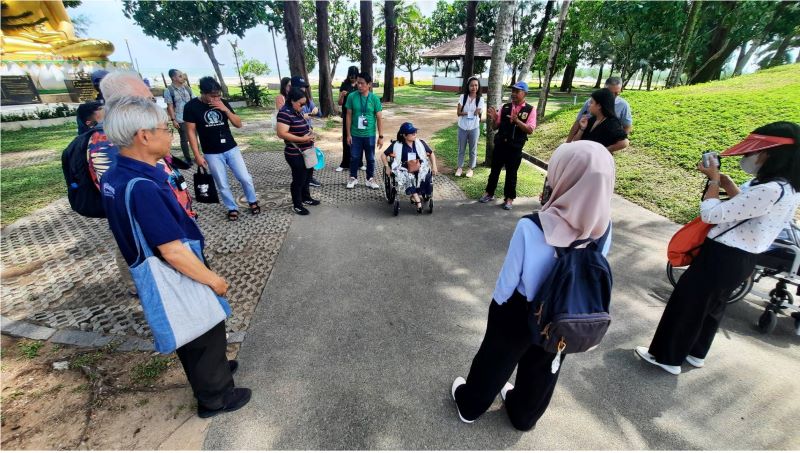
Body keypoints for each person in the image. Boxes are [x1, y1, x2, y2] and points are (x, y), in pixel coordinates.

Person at [100, 95, 251, 418]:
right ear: (144, 135)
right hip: (173, 268)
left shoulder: (116, 176)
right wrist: (213, 279)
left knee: (197, 328)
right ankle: (216, 397)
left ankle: (217, 370)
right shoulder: (142, 185)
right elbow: (170, 250)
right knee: (202, 326)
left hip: (159, 264)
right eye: (165, 128)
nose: (171, 134)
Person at [452, 140, 614, 430]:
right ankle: (523, 415)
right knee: (544, 366)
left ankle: (471, 405)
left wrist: (496, 310)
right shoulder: (603, 226)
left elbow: (508, 282)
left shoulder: (533, 226)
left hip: (520, 307)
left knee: (496, 357)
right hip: (565, 310)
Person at [635, 122, 800, 375]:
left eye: (751, 153)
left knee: (688, 304)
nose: (748, 157)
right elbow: (747, 208)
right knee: (713, 307)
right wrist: (726, 183)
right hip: (742, 257)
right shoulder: (785, 188)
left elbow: (713, 214)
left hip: (723, 255)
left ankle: (667, 357)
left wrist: (713, 183)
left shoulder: (768, 188)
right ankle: (695, 352)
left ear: (771, 153)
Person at [184, 77, 260, 221]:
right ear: (203, 93)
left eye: (218, 95)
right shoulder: (191, 107)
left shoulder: (223, 103)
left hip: (231, 148)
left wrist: (226, 110)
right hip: (211, 152)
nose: (216, 98)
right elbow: (191, 133)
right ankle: (232, 207)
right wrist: (197, 155)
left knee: (245, 177)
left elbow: (238, 124)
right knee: (222, 183)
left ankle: (252, 200)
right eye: (213, 96)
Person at [479, 81, 536, 211]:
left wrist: (517, 121)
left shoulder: (530, 110)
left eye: (517, 91)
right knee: (494, 171)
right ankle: (489, 193)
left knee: (511, 174)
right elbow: (495, 127)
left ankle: (509, 198)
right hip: (500, 145)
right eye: (513, 91)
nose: (514, 94)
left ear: (525, 93)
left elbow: (530, 129)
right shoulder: (505, 107)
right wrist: (494, 119)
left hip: (515, 148)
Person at [276, 87, 320, 216]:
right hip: (295, 152)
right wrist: (302, 139)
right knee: (299, 179)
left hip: (307, 151)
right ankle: (297, 204)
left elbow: (302, 125)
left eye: (304, 104)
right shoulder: (284, 113)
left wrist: (310, 133)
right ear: (292, 101)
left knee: (307, 177)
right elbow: (281, 133)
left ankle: (306, 198)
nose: (302, 107)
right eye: (301, 104)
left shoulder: (296, 111)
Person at [381, 122, 439, 212]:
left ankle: (416, 195)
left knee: (426, 175)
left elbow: (431, 154)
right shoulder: (397, 145)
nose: (415, 134)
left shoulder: (420, 143)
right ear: (404, 135)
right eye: (412, 133)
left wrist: (434, 166)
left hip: (419, 166)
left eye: (415, 132)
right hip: (403, 168)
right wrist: (387, 166)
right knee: (408, 176)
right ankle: (417, 200)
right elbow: (383, 156)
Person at [345, 72, 384, 190]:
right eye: (358, 83)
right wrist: (348, 134)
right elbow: (348, 115)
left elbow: (379, 117)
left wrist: (381, 136)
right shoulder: (352, 96)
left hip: (370, 134)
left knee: (371, 158)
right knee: (354, 157)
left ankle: (370, 179)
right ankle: (353, 177)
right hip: (355, 134)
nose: (359, 86)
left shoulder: (374, 99)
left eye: (362, 83)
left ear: (369, 85)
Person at [567, 76, 632, 142]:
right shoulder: (591, 102)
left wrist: (613, 145)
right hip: (584, 142)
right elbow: (578, 122)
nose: (613, 96)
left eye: (617, 93)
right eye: (610, 93)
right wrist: (567, 143)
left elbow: (627, 127)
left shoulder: (623, 106)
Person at [566, 88, 629, 153]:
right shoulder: (592, 120)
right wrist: (582, 129)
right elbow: (576, 142)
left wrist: (602, 151)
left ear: (599, 106)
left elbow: (624, 143)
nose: (589, 105)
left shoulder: (612, 123)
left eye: (591, 103)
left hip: (597, 161)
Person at [163, 68, 195, 165]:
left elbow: (194, 100)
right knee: (184, 139)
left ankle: (197, 156)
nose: (183, 77)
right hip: (180, 118)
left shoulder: (187, 88)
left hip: (192, 118)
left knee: (194, 137)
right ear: (174, 78)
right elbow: (170, 106)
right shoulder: (169, 90)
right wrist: (173, 120)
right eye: (180, 76)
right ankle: (188, 159)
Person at [455, 76, 485, 178]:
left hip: (474, 128)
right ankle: (459, 167)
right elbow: (458, 113)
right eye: (472, 85)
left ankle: (471, 168)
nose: (474, 87)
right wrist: (470, 113)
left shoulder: (480, 99)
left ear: (478, 86)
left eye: (476, 85)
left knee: (473, 149)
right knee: (461, 149)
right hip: (462, 127)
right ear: (468, 86)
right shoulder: (462, 97)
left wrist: (466, 113)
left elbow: (478, 112)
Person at [336, 66, 361, 173]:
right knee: (347, 138)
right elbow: (340, 103)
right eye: (351, 77)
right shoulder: (344, 85)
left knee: (359, 139)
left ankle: (359, 163)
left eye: (355, 77)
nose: (353, 79)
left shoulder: (360, 85)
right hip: (347, 115)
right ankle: (345, 163)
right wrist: (342, 95)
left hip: (358, 116)